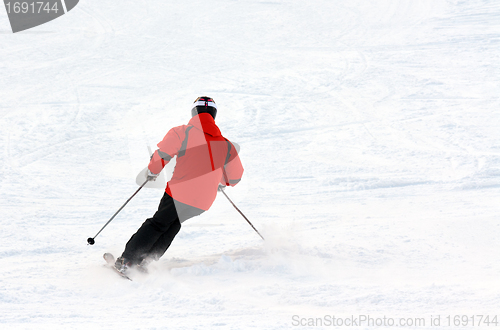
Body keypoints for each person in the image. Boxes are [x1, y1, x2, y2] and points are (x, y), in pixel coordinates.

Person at [115, 96, 244, 273]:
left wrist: (153, 171)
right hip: (203, 202)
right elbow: (235, 177)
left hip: (179, 193)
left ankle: (128, 261)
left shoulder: (183, 132)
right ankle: (147, 261)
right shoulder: (226, 145)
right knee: (173, 224)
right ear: (214, 115)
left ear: (194, 112)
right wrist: (220, 182)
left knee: (158, 224)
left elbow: (162, 155)